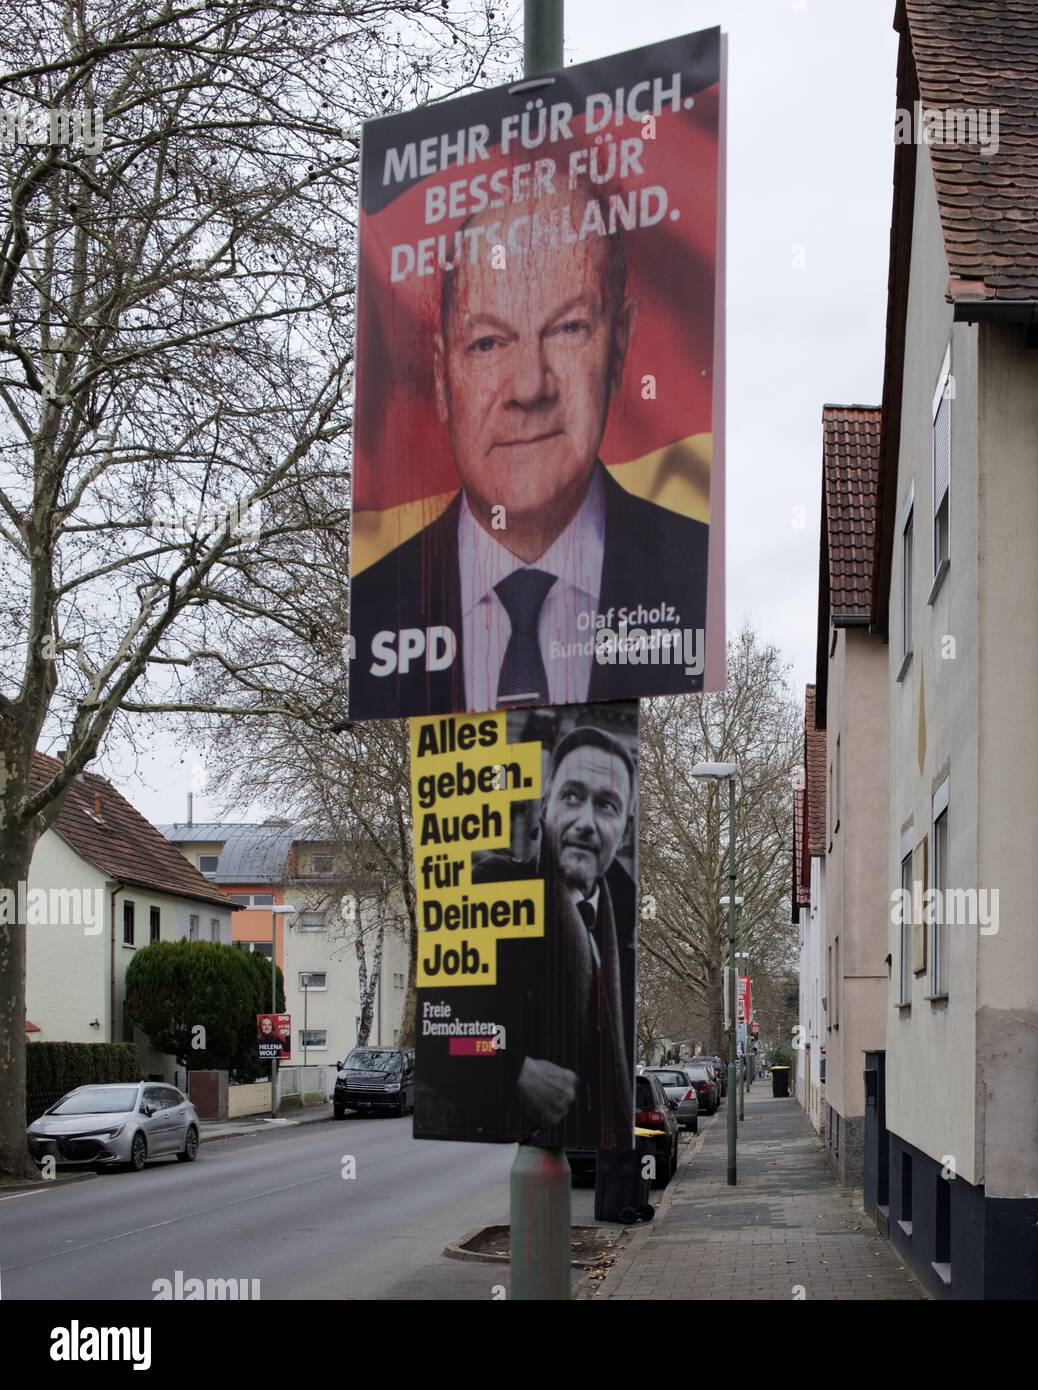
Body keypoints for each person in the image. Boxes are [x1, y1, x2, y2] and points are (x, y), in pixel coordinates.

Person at [349, 180, 710, 718]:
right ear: (443, 377)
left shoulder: (694, 577)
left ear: (620, 342)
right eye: (488, 343)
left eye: (568, 328)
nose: (529, 386)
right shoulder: (380, 605)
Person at [473, 724, 636, 1150]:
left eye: (605, 805)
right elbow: (447, 1028)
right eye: (571, 796)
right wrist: (511, 1069)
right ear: (546, 807)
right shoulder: (493, 891)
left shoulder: (628, 928)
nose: (585, 821)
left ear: (625, 829)